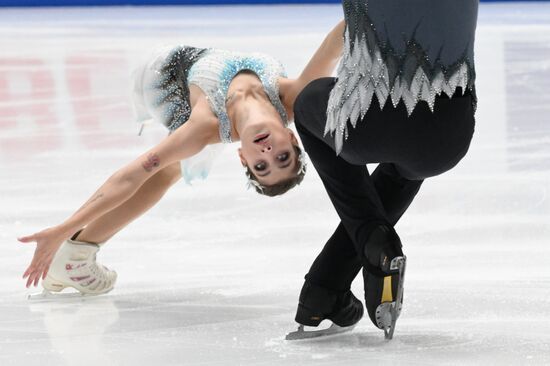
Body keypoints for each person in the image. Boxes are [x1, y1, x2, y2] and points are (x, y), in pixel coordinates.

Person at [18, 21, 348, 296]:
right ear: (292, 137)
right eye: (282, 157)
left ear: (242, 158)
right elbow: (339, 39)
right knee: (170, 169)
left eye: (261, 167)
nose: (267, 154)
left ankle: (76, 252)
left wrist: (62, 228)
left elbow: (129, 176)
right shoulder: (293, 98)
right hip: (179, 64)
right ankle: (78, 254)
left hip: (165, 83)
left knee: (167, 169)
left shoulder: (203, 127)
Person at [290, 0, 479, 340]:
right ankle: (326, 285)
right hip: (447, 137)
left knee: (307, 103)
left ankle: (370, 242)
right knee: (405, 162)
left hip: (366, 123)